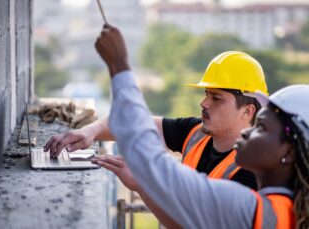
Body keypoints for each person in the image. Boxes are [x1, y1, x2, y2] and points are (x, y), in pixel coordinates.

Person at [92, 24, 309, 228]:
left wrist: (119, 65)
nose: (249, 133)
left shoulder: (249, 206)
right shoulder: (280, 210)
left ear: (288, 152)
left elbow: (153, 163)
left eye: (261, 128)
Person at [45, 46, 268, 191]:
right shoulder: (195, 133)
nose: (204, 103)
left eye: (216, 98)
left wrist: (146, 185)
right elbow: (131, 121)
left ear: (247, 111)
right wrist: (90, 132)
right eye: (206, 95)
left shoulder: (252, 173)